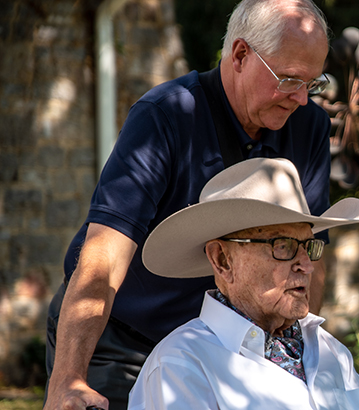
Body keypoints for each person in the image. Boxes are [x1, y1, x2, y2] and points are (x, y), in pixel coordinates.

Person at [44, 1, 333, 409]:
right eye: (288, 79)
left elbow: (310, 255)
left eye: (313, 83)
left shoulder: (310, 127)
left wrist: (301, 358)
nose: (302, 99)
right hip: (119, 336)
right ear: (239, 55)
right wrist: (69, 379)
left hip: (223, 346)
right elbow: (104, 257)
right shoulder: (166, 116)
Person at [128, 157, 359, 410]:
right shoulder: (181, 363)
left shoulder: (330, 350)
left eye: (308, 246)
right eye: (283, 245)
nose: (307, 266)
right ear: (222, 260)